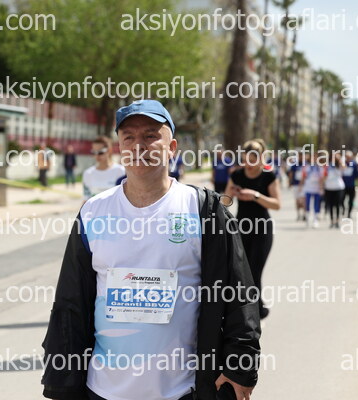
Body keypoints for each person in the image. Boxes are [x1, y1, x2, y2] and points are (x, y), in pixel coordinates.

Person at [42, 100, 260, 400]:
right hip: (103, 390)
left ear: (172, 148)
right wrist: (62, 383)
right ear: (120, 148)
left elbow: (239, 293)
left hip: (182, 390)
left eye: (150, 136)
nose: (138, 146)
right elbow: (70, 301)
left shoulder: (203, 210)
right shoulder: (94, 211)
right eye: (128, 137)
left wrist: (240, 366)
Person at [224, 139, 280, 319]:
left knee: (255, 271)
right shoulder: (237, 175)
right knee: (241, 272)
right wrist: (231, 193)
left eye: (252, 160)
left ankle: (255, 312)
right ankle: (250, 309)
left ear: (261, 159)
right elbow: (225, 202)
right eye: (244, 160)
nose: (248, 164)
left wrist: (255, 195)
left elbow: (277, 204)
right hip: (241, 228)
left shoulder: (268, 176)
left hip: (262, 229)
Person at [300, 152, 324, 229]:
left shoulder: (320, 168)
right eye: (312, 157)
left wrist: (321, 188)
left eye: (315, 157)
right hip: (308, 188)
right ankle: (307, 218)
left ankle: (315, 220)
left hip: (316, 188)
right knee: (307, 204)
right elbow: (303, 178)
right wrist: (301, 187)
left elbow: (321, 179)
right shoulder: (306, 167)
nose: (314, 159)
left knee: (316, 204)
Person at [323, 152, 346, 228]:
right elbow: (324, 175)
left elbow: (344, 168)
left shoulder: (339, 165)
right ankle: (332, 220)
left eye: (335, 157)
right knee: (331, 205)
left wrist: (339, 160)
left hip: (339, 187)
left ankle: (337, 221)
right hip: (329, 188)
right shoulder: (327, 165)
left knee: (338, 205)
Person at [287, 151, 305, 221]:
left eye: (302, 156)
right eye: (299, 156)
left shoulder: (305, 165)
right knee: (297, 200)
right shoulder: (294, 165)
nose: (301, 157)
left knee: (303, 200)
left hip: (304, 185)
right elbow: (291, 174)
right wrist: (289, 182)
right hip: (295, 184)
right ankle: (298, 214)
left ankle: (304, 214)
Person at [342, 150, 358, 218]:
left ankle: (349, 213)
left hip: (351, 185)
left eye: (349, 157)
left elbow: (357, 175)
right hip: (343, 186)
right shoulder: (342, 163)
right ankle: (343, 209)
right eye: (347, 157)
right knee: (341, 200)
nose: (348, 158)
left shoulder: (354, 164)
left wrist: (357, 185)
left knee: (351, 201)